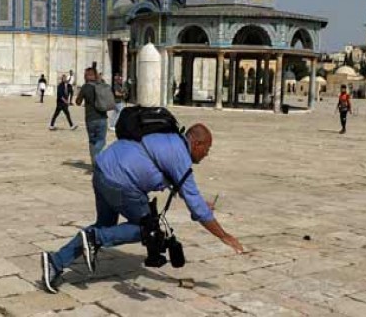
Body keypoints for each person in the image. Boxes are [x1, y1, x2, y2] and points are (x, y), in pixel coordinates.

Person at [41, 123, 244, 293]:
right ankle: (95, 239)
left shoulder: (169, 138)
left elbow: (182, 188)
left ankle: (55, 262)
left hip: (103, 169)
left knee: (104, 225)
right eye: (207, 149)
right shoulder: (180, 157)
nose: (206, 154)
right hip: (120, 182)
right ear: (197, 143)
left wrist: (199, 203)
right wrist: (224, 235)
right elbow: (198, 209)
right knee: (149, 230)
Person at [75, 67, 106, 166]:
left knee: (92, 141)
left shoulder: (85, 87)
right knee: (101, 141)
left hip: (90, 119)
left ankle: (94, 164)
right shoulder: (101, 85)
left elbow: (78, 102)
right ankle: (96, 162)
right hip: (102, 117)